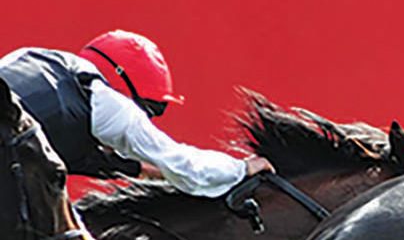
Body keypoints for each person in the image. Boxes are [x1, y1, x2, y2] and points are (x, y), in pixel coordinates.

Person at [0, 31, 269, 194]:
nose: (146, 120)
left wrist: (144, 170)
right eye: (149, 112)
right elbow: (185, 166)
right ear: (128, 90)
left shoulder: (32, 56)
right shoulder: (113, 105)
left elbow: (70, 153)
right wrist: (241, 168)